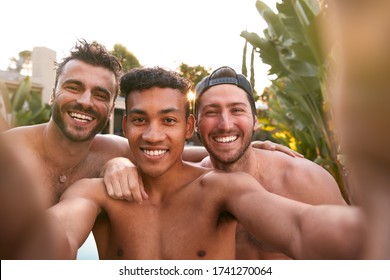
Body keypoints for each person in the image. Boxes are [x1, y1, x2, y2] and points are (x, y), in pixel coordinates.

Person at [39, 66, 363, 260]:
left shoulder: (221, 188)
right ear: (125, 127)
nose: (153, 135)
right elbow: (59, 231)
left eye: (168, 120)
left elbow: (301, 227)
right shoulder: (97, 192)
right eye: (139, 120)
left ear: (186, 127)